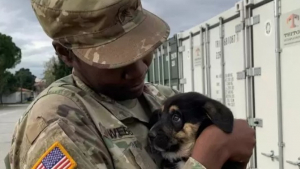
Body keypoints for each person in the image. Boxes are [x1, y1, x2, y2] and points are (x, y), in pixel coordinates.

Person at [4, 0, 256, 168]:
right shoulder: (57, 123)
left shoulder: (160, 97)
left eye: (142, 46)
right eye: (115, 58)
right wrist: (211, 153)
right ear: (66, 53)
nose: (139, 69)